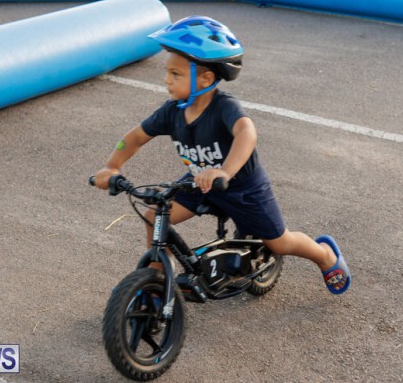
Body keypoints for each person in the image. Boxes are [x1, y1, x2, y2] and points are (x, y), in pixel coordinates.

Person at [93, 16, 351, 294]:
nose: (166, 80)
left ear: (205, 78)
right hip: (200, 181)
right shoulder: (172, 112)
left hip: (242, 187)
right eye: (167, 72)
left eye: (176, 74)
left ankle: (324, 255)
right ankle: (156, 280)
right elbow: (133, 138)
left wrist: (224, 171)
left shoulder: (223, 107)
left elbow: (246, 132)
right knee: (155, 216)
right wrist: (112, 166)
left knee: (279, 242)